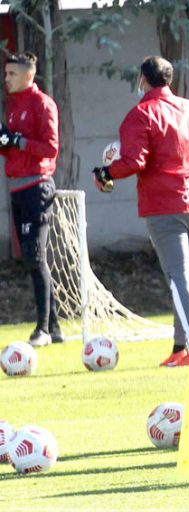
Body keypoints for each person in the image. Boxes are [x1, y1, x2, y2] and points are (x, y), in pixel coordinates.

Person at [92, 56, 189, 367]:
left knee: (178, 277)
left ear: (142, 79)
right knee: (181, 277)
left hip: (164, 206)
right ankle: (180, 348)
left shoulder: (141, 113)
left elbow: (133, 162)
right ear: (168, 80)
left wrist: (105, 173)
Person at [0, 52, 63, 347]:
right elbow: (12, 150)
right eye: (6, 73)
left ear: (28, 76)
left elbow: (50, 148)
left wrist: (18, 141)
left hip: (37, 187)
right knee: (29, 257)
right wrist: (5, 141)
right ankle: (55, 328)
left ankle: (43, 330)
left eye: (11, 74)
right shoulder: (13, 107)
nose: (6, 78)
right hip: (16, 188)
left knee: (35, 256)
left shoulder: (43, 104)